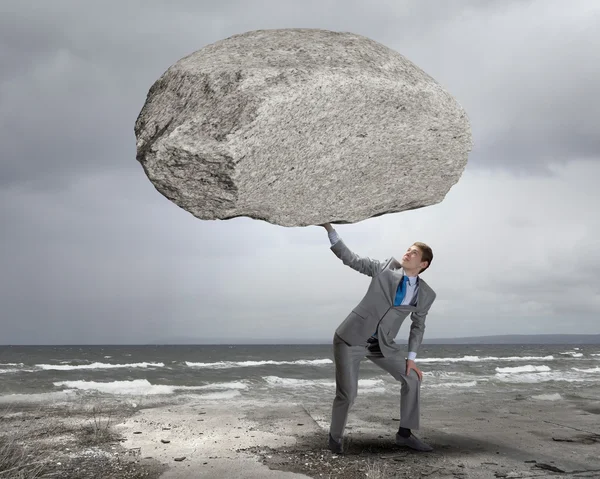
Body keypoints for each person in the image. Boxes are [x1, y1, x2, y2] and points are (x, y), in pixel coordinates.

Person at [321, 223, 436, 454]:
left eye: (414, 252)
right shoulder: (384, 267)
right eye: (408, 249)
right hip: (350, 339)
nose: (408, 252)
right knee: (348, 394)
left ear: (423, 264)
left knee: (412, 378)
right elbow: (352, 259)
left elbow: (418, 326)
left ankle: (405, 434)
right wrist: (329, 229)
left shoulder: (425, 294)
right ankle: (335, 439)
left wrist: (411, 359)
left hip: (381, 345)